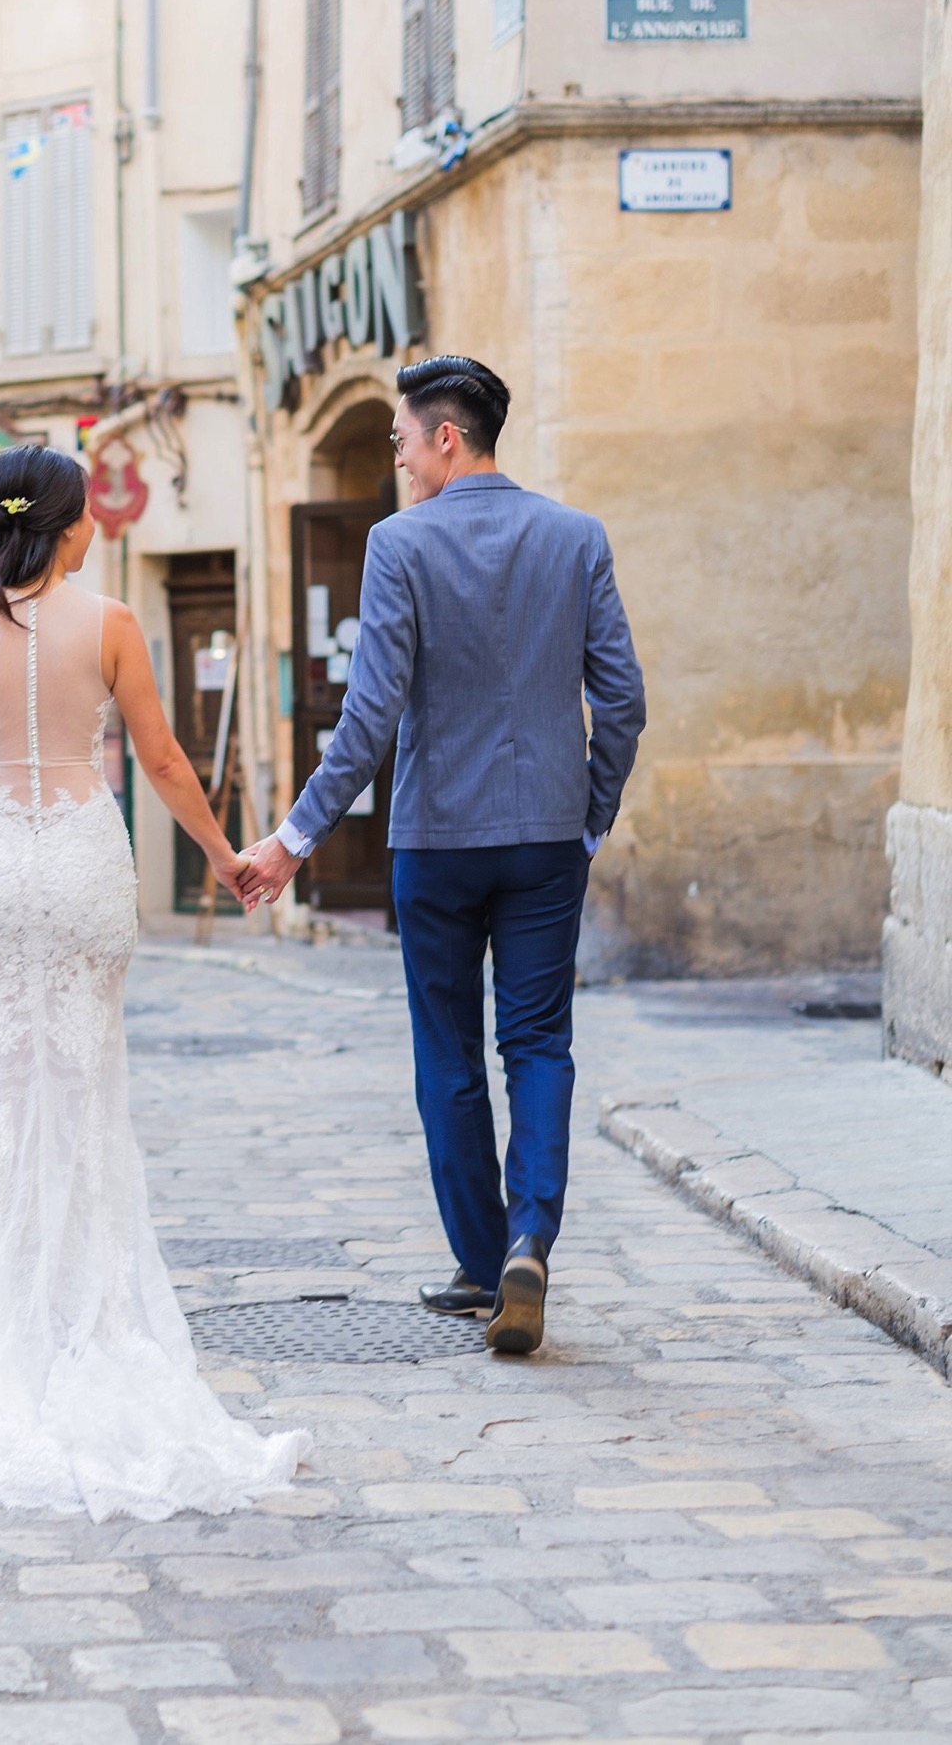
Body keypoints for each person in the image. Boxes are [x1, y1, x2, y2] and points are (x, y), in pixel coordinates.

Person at [0, 443, 308, 1519]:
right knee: (84, 1101)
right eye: (87, 515)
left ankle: (9, 1334)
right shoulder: (114, 623)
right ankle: (90, 1324)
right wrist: (225, 856)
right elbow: (163, 759)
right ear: (68, 525)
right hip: (83, 860)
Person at [239, 355, 645, 1357]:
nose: (399, 458)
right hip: (547, 840)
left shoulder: (398, 546)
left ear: (446, 439)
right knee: (539, 1044)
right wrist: (588, 816)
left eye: (402, 440)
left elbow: (369, 717)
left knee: (448, 1053)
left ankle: (480, 1261)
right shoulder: (575, 537)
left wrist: (294, 840)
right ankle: (526, 1245)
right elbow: (622, 699)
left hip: (437, 843)